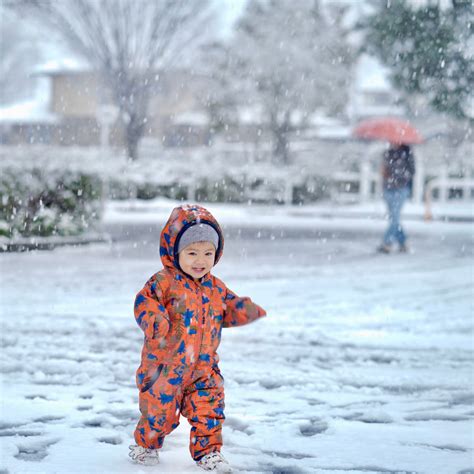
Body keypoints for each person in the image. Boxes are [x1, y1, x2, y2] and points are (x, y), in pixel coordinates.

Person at [128, 204, 266, 472]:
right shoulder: (164, 282)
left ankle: (209, 452)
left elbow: (228, 307)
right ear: (175, 252)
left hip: (203, 368)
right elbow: (144, 303)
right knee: (159, 416)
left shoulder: (215, 287)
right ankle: (146, 445)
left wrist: (245, 310)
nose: (200, 260)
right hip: (164, 369)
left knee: (210, 409)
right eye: (191, 253)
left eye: (207, 253)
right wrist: (155, 320)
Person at [378, 143, 415, 253]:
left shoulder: (407, 153)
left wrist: (398, 174)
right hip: (388, 188)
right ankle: (403, 242)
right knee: (394, 218)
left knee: (395, 217)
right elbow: (383, 170)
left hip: (401, 189)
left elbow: (412, 171)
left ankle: (387, 242)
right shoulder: (387, 153)